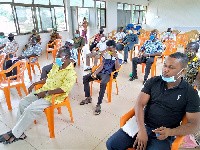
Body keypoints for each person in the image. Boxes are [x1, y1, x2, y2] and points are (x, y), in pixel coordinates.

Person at [106, 52, 200, 150]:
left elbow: (194, 125)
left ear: (182, 71)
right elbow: (139, 104)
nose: (165, 70)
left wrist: (170, 132)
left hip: (164, 133)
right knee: (111, 144)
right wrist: (142, 130)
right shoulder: (154, 81)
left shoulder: (190, 93)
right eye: (165, 65)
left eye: (171, 68)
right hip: (142, 124)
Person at [0, 49, 77, 144]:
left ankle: (13, 133)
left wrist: (47, 93)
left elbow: (64, 89)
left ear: (65, 58)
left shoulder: (71, 73)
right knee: (23, 102)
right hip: (43, 91)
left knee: (30, 109)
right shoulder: (57, 66)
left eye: (58, 56)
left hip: (53, 96)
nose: (55, 58)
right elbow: (48, 78)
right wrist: (35, 83)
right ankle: (19, 132)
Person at [80, 40, 123, 115]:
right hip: (101, 72)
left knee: (103, 83)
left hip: (109, 74)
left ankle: (98, 104)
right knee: (85, 78)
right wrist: (95, 73)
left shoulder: (119, 56)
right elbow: (101, 66)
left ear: (114, 48)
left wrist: (116, 58)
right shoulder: (106, 54)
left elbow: (117, 68)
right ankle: (88, 98)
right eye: (108, 49)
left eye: (110, 49)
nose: (109, 50)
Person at [183, 42, 200, 145]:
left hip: (189, 87)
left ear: (196, 51)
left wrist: (193, 88)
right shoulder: (182, 59)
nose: (188, 51)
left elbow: (197, 80)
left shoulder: (198, 63)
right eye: (187, 48)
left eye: (191, 49)